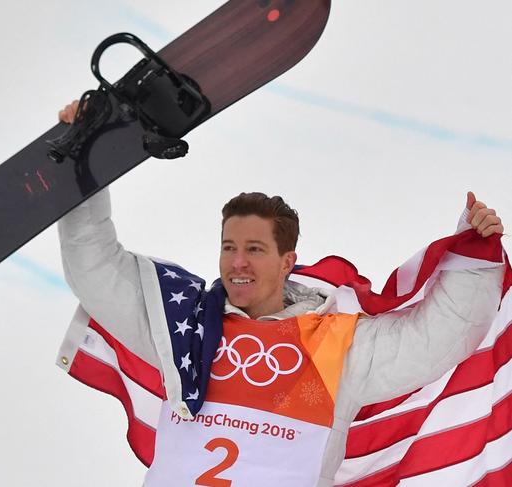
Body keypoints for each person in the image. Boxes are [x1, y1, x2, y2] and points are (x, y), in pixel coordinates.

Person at [56, 102, 506, 486]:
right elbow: (95, 268)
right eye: (229, 248)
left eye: (254, 250)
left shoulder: (334, 348)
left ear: (287, 261)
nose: (238, 263)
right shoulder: (183, 327)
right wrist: (84, 160)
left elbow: (440, 337)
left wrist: (475, 253)